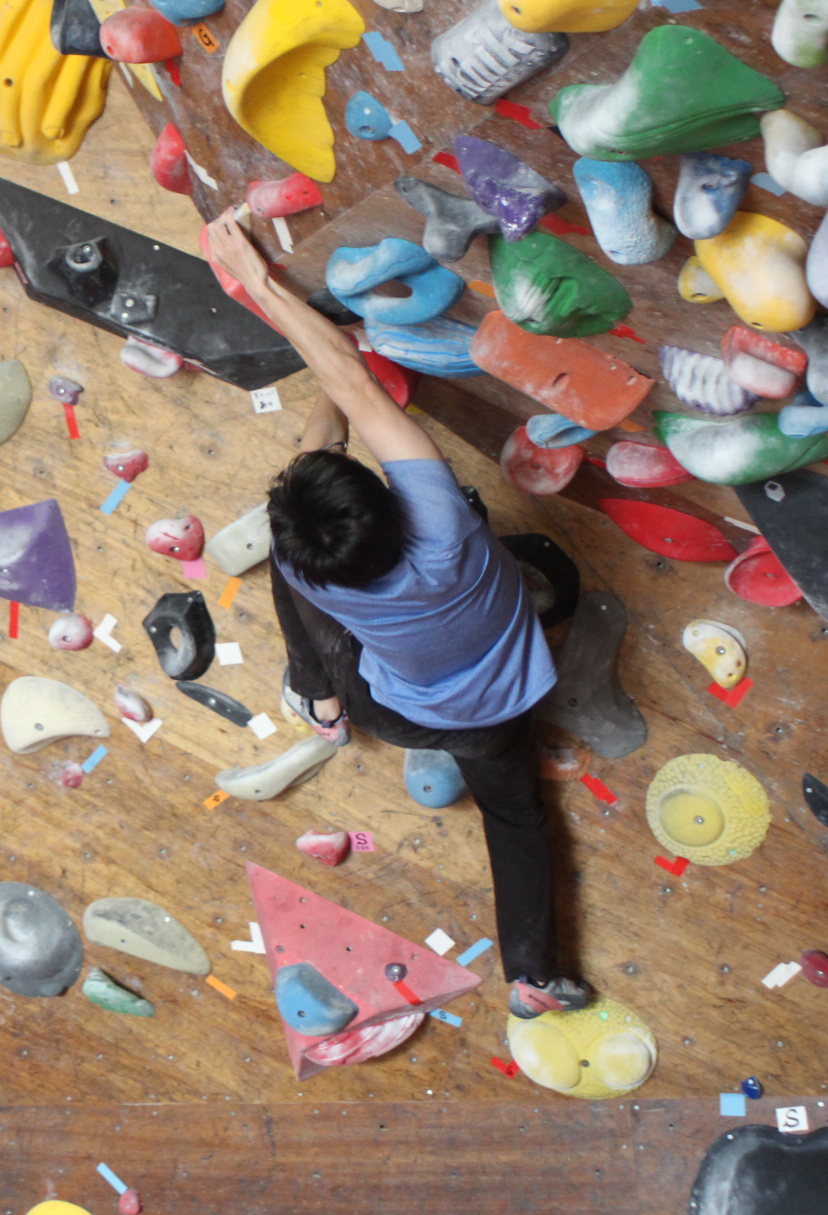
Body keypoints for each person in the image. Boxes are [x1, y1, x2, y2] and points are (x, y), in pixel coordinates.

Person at [202, 208, 589, 1020]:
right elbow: (354, 382)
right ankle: (529, 975)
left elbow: (319, 441)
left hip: (398, 708)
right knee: (514, 816)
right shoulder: (441, 521)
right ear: (391, 498)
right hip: (495, 716)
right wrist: (261, 281)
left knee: (288, 566)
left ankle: (320, 697)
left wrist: (325, 400)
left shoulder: (315, 572)